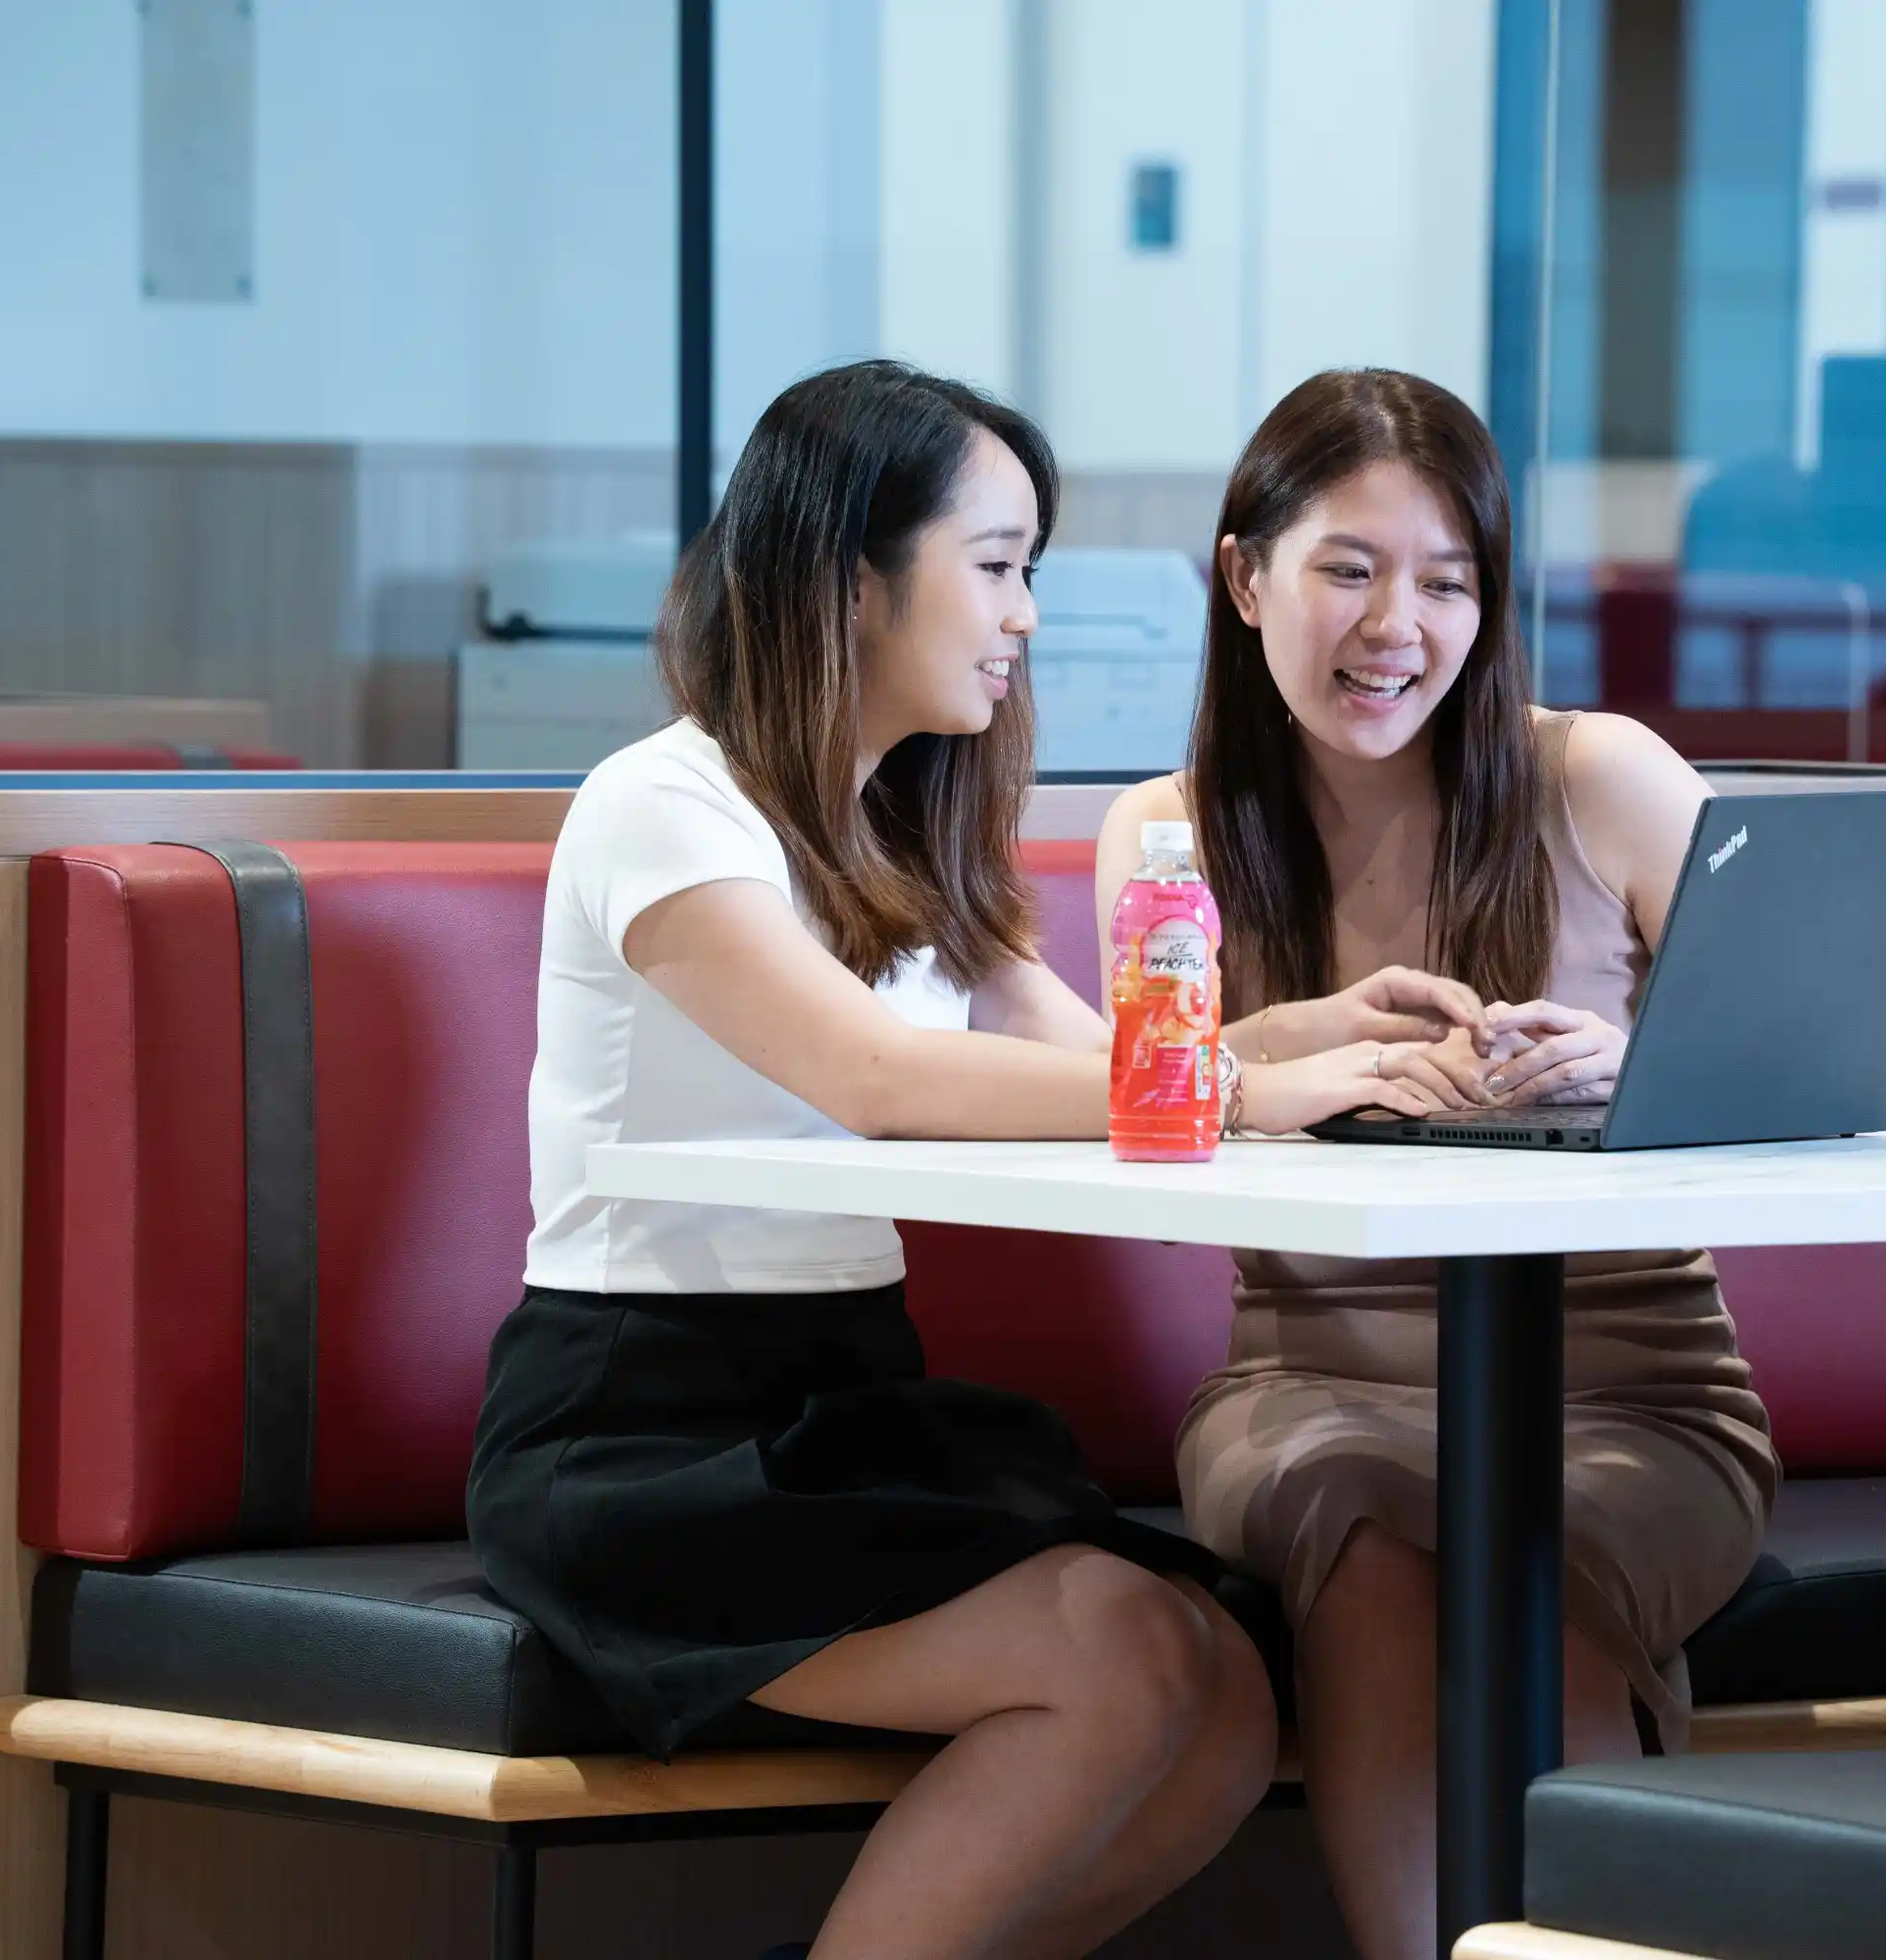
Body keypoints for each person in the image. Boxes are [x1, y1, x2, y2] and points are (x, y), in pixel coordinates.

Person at [468, 361, 1440, 1960]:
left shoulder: (907, 837)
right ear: (852, 579)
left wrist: (1317, 1038)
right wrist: (1251, 1093)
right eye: (996, 566)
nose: (1026, 617)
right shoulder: (663, 805)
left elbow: (1093, 1060)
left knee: (1218, 1689)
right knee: (1123, 1659)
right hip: (645, 1435)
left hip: (846, 1403)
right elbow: (876, 1078)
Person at [1097, 368, 1779, 1960]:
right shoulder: (1170, 838)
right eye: (1348, 569)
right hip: (1305, 1382)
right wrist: (1288, 1058)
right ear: (1243, 576)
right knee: (1368, 1531)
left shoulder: (1602, 779)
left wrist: (1638, 1070)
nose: (1396, 625)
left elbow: (1837, 1058)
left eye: (1447, 582)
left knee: (1532, 1556)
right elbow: (1142, 1101)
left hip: (1631, 1390)